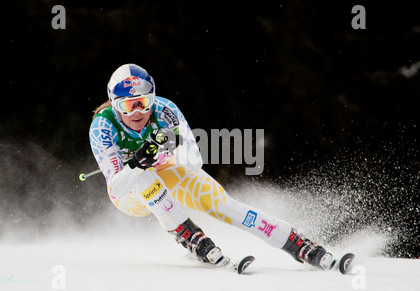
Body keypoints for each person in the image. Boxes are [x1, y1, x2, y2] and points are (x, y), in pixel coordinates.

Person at [89, 63, 334, 270]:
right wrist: (137, 163)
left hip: (166, 169)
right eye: (127, 106)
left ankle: (294, 242)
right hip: (131, 193)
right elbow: (118, 189)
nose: (137, 112)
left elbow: (194, 162)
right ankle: (192, 238)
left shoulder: (166, 111)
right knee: (144, 177)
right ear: (114, 105)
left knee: (221, 203)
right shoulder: (103, 126)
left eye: (143, 102)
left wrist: (172, 145)